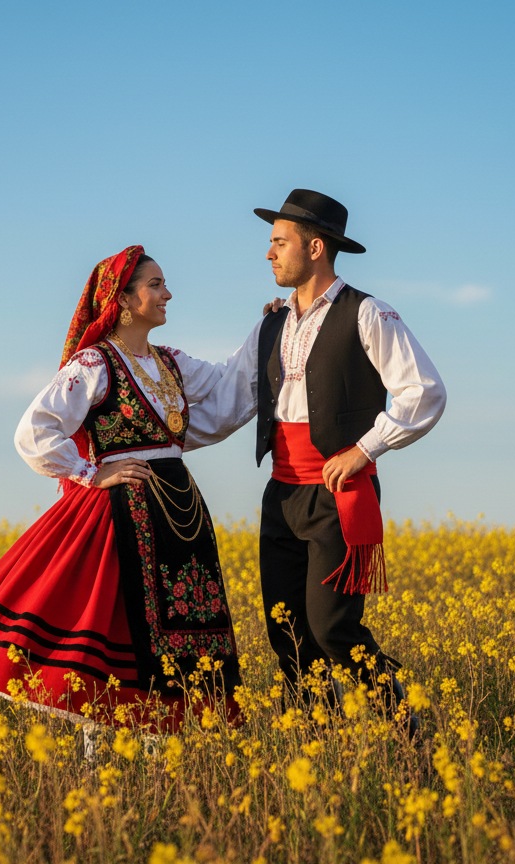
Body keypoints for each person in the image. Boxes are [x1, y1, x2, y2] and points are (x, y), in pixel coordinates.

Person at [0, 245, 241, 733]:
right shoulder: (95, 363)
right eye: (155, 285)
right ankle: (103, 765)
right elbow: (35, 430)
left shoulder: (171, 362)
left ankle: (163, 754)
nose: (167, 294)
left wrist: (275, 332)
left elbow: (230, 392)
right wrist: (91, 472)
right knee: (119, 627)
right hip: (122, 514)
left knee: (179, 629)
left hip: (179, 514)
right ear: (123, 297)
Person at [188, 190, 446, 726]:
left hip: (338, 495)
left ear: (315, 246)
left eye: (278, 243)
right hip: (280, 495)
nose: (269, 254)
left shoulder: (367, 312)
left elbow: (424, 391)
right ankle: (314, 743)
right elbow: (228, 403)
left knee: (333, 630)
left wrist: (365, 449)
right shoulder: (270, 325)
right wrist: (153, 445)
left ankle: (406, 727)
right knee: (287, 632)